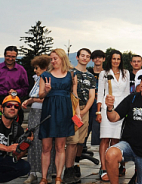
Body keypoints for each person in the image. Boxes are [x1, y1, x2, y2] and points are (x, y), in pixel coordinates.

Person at [38, 48, 81, 184]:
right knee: (46, 147)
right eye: (51, 59)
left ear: (62, 58)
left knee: (60, 147)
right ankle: (44, 177)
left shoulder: (71, 75)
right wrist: (46, 91)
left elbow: (74, 96)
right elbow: (40, 95)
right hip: (49, 112)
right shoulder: (45, 75)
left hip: (65, 113)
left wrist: (78, 114)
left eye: (55, 58)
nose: (53, 61)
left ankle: (58, 177)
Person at [97, 50, 131, 181]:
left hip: (121, 109)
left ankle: (114, 167)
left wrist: (127, 111)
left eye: (118, 59)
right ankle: (104, 168)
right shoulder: (103, 74)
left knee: (116, 140)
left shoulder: (126, 73)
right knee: (105, 138)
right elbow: (100, 93)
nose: (116, 61)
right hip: (107, 107)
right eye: (114, 58)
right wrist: (99, 111)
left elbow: (127, 92)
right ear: (110, 60)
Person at [64, 48, 96, 184]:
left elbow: (92, 96)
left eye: (87, 56)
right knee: (72, 140)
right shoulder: (70, 73)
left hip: (85, 110)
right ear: (77, 57)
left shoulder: (90, 76)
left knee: (80, 141)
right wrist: (77, 112)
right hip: (72, 110)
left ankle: (75, 165)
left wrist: (83, 112)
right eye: (82, 55)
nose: (84, 58)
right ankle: (68, 170)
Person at [21, 55, 55, 184]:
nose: (35, 70)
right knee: (33, 142)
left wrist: (31, 99)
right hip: (34, 112)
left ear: (45, 68)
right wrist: (29, 100)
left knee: (46, 144)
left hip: (45, 112)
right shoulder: (37, 79)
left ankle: (48, 172)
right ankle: (33, 172)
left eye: (37, 68)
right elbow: (35, 97)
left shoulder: (49, 79)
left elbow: (44, 98)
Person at [0, 45, 29, 123]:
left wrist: (16, 92)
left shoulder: (21, 70)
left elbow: (25, 89)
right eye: (8, 56)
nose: (10, 59)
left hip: (13, 101)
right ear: (4, 55)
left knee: (17, 124)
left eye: (13, 57)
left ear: (16, 57)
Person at [90, 50, 105, 147]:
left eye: (100, 57)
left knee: (98, 132)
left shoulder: (106, 74)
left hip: (100, 106)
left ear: (104, 59)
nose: (97, 59)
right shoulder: (88, 73)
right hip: (87, 106)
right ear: (92, 60)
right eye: (95, 57)